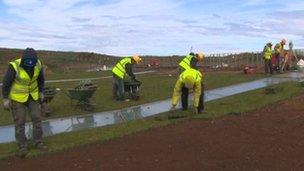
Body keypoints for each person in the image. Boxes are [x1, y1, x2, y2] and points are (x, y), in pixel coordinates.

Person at [2, 48, 48, 157]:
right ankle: (22, 146)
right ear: (23, 59)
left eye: (33, 60)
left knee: (37, 119)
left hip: (32, 96)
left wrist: (41, 92)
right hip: (18, 99)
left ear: (36, 59)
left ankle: (38, 142)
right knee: (20, 122)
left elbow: (41, 80)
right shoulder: (14, 66)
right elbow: (6, 83)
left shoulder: (38, 64)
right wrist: (5, 99)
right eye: (28, 60)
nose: (31, 62)